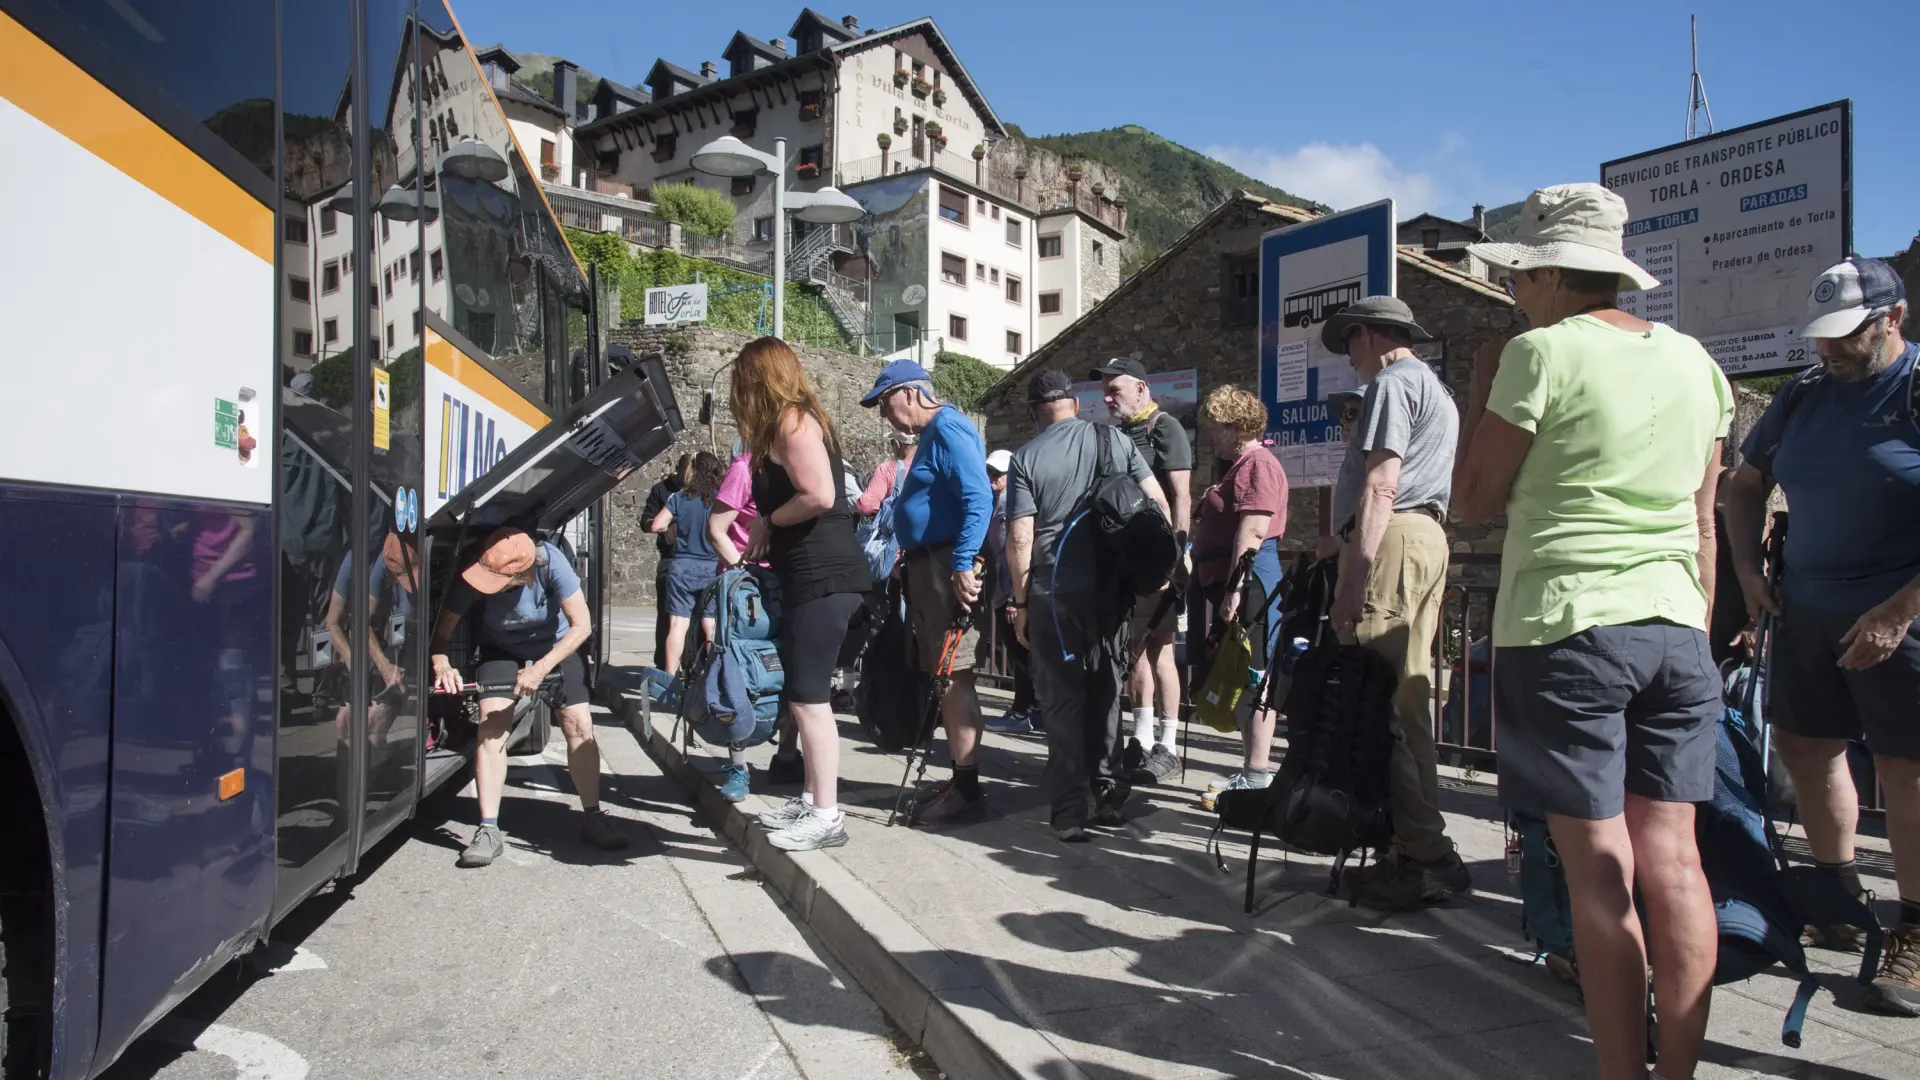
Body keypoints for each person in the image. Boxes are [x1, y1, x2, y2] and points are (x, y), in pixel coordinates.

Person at [1454, 183, 1731, 1080]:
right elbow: (1703, 520)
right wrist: (1700, 617)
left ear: (1549, 276)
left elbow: (1472, 499)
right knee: (1677, 865)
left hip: (1567, 626)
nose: (1513, 294)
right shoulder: (1701, 365)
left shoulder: (1538, 354)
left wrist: (1482, 386)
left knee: (1598, 874)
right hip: (1677, 626)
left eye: (1519, 279)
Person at [1722, 256, 1920, 1017]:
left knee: (1907, 769)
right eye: (1822, 337)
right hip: (1807, 608)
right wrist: (1746, 569)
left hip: (1900, 614)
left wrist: (1900, 611)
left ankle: (1916, 931)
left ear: (1892, 320)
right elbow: (1745, 484)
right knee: (1806, 746)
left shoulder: (1911, 388)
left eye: (1846, 336)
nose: (1829, 350)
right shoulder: (1804, 395)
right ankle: (1836, 895)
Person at [1319, 295, 1469, 911]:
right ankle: (1412, 844)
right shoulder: (1434, 388)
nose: (1349, 359)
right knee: (1407, 697)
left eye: (1349, 343)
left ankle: (1425, 855)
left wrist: (1352, 584)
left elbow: (1381, 486)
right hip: (1426, 534)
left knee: (1390, 700)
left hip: (1398, 535)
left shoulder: (1390, 384)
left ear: (1368, 335)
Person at [702, 338, 874, 850]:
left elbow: (821, 494)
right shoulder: (792, 423)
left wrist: (766, 523)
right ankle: (810, 798)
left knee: (808, 699)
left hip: (826, 578)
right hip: (813, 579)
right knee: (803, 696)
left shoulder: (792, 423)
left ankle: (826, 816)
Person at [1006, 371, 1167, 840]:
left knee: (1061, 701)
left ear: (1037, 412)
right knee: (1104, 691)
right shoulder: (1112, 439)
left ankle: (1069, 813)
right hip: (1110, 591)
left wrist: (1019, 603)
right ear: (1074, 404)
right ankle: (1110, 796)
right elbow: (1155, 499)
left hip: (1053, 594)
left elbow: (1020, 537)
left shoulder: (1026, 457)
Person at [431, 528, 628, 867]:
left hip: (556, 647)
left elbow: (581, 625)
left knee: (580, 725)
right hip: (501, 648)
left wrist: (540, 669)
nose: (489, 585)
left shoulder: (551, 563)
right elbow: (441, 634)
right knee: (491, 727)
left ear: (521, 572)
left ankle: (594, 816)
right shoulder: (477, 570)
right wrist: (442, 664)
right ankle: (488, 829)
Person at [861, 359, 995, 828]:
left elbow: (980, 497)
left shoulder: (950, 427)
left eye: (884, 401)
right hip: (928, 563)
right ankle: (961, 779)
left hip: (943, 565)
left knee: (953, 675)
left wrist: (960, 564)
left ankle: (968, 789)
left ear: (911, 393)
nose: (883, 414)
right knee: (944, 675)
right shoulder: (938, 432)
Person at [1092, 358, 1193, 783]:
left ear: (1141, 388)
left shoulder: (1163, 428)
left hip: (1158, 559)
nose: (1107, 397)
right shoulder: (1116, 435)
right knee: (1133, 649)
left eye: (1115, 389)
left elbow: (1181, 495)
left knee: (1161, 650)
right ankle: (1142, 737)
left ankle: (1168, 746)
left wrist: (1177, 555)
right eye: (1106, 390)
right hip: (1125, 563)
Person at [1189, 386, 1289, 812]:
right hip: (1239, 581)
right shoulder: (1241, 465)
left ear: (1236, 426)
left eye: (1216, 427)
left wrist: (1233, 590)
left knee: (1254, 675)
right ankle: (1251, 770)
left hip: (1252, 582)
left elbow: (1251, 532)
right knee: (1244, 673)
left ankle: (1257, 774)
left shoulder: (1259, 465)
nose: (1212, 435)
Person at [711, 447, 806, 788]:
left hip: (785, 583)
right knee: (739, 674)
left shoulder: (796, 465)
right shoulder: (744, 469)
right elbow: (716, 528)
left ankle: (786, 756)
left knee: (791, 672)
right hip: (748, 594)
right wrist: (741, 572)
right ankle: (738, 767)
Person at [649, 451, 724, 681]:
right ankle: (714, 678)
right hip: (712, 568)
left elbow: (656, 526)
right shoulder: (720, 499)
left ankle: (669, 680)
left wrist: (675, 525)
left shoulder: (680, 497)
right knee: (710, 625)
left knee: (677, 625)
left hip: (681, 567)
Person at [981, 449, 1038, 735]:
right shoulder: (999, 502)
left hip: (1012, 594)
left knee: (1020, 654)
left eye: (997, 473)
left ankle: (1023, 711)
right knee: (1020, 655)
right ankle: (1030, 709)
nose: (992, 477)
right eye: (989, 471)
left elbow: (1012, 552)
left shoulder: (1011, 505)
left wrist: (1017, 598)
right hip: (1005, 592)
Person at [642, 455, 691, 669]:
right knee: (666, 617)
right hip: (670, 560)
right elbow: (646, 522)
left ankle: (690, 665)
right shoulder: (661, 490)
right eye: (686, 472)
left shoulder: (699, 493)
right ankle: (664, 665)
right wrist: (669, 520)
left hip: (692, 559)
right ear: (677, 470)